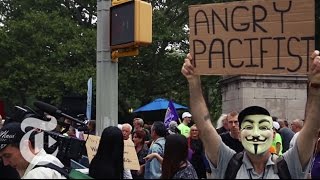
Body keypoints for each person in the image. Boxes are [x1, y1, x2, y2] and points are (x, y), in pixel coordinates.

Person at [181, 50, 320, 178]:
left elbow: (311, 129)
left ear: (273, 135)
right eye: (248, 127)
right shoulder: (227, 163)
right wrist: (194, 82)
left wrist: (315, 85)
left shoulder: (290, 165)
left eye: (263, 127)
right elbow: (204, 128)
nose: (255, 132)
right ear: (239, 135)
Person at [0, 122, 66, 179]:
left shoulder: (36, 175)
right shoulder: (50, 160)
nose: (5, 163)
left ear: (25, 146)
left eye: (7, 155)